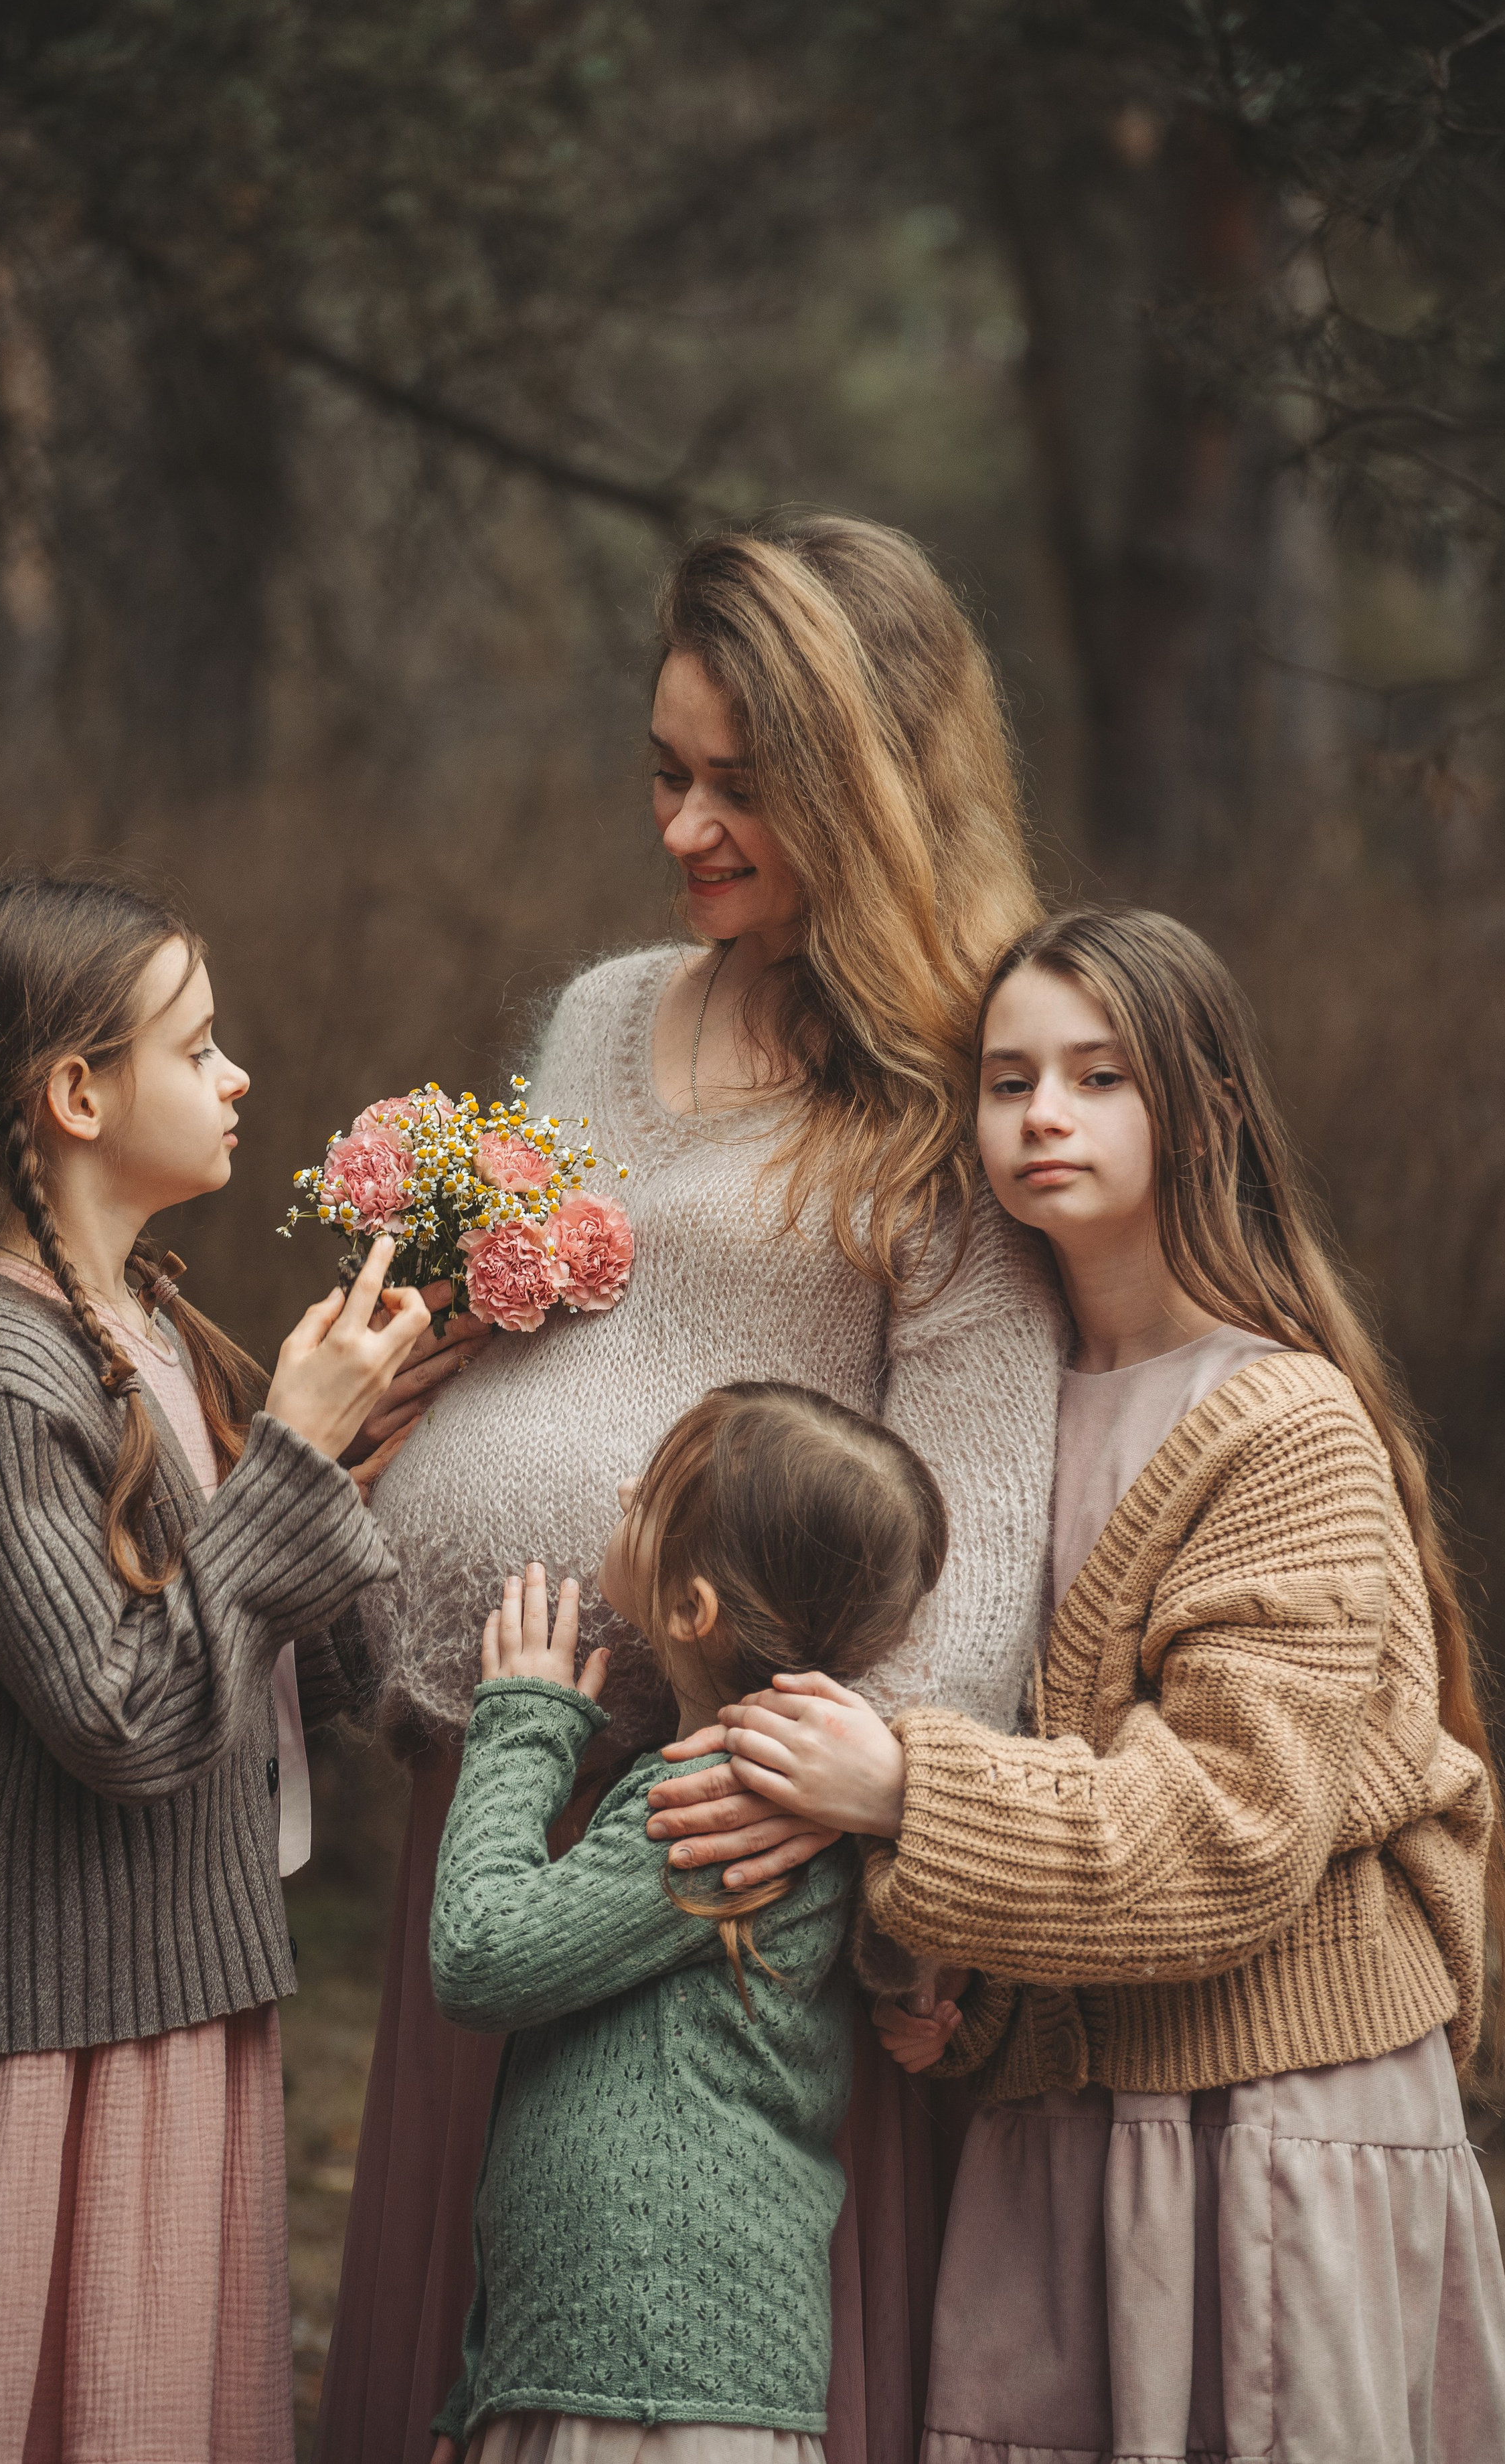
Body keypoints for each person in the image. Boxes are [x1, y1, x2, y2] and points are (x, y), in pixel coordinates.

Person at [315, 514, 1065, 2464]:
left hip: (722, 1860)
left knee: (668, 2366)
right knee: (497, 2321)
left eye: (744, 785)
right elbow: (544, 1325)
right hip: (498, 1778)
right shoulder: (603, 1012)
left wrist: (863, 1822)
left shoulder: (958, 1081)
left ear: (878, 784)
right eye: (665, 771)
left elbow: (975, 1517)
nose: (684, 825)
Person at [658, 904, 1505, 2464]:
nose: (1041, 1114)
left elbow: (1228, 1827)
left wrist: (905, 1789)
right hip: (1069, 2127)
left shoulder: (1282, 1425)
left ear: (1198, 1108)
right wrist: (957, 1982)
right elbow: (1045, 1757)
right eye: (1005, 1080)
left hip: (1265, 2129)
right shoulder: (997, 1406)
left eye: (1097, 1075)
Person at [0, 873, 428, 2464]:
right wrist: (290, 1460)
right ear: (75, 1094)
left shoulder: (161, 1325)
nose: (239, 1076)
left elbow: (306, 1682)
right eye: (199, 1048)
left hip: (189, 1988)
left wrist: (343, 1461)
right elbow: (127, 1715)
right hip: (45, 2033)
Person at [427, 1381, 950, 2464]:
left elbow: (479, 1957)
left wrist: (522, 1724)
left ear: (692, 1611)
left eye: (649, 1493)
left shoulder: (723, 1803)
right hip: (616, 2364)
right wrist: (482, 2384)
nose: (624, 1489)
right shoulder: (756, 1788)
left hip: (650, 2392)